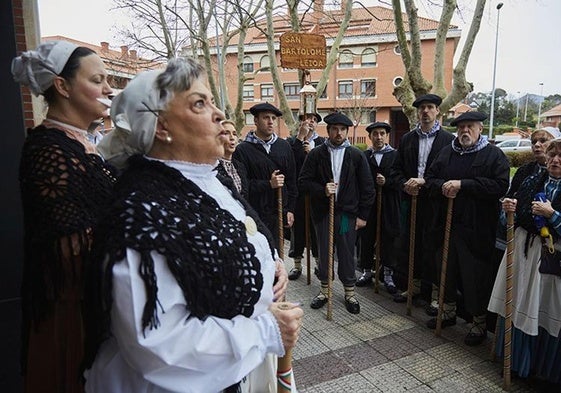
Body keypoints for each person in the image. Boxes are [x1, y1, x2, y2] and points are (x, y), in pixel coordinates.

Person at [83, 57, 303, 393]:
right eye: (200, 103)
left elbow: (245, 232)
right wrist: (266, 331)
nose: (218, 115)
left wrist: (272, 264)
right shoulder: (143, 210)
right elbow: (157, 341)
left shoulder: (208, 179)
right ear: (162, 127)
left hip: (238, 367)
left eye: (212, 101)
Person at [11, 41, 116, 392]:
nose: (108, 89)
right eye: (97, 79)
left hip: (96, 303)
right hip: (76, 314)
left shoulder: (84, 144)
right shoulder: (49, 150)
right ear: (62, 86)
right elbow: (70, 248)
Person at [424, 111, 509, 346]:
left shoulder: (493, 155)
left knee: (475, 277)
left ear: (480, 128)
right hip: (446, 225)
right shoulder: (446, 152)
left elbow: (500, 185)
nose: (465, 131)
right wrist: (442, 186)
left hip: (476, 229)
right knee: (446, 270)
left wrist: (464, 185)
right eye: (461, 127)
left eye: (470, 126)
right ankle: (448, 311)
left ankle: (478, 323)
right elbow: (430, 178)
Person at [488, 140, 561, 387]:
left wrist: (553, 215)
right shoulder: (533, 180)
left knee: (544, 310)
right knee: (518, 302)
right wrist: (508, 209)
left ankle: (543, 371)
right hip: (523, 252)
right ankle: (516, 363)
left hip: (551, 261)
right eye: (553, 155)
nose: (556, 160)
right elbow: (510, 211)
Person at [299, 112, 375, 314]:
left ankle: (349, 292)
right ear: (328, 130)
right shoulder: (316, 154)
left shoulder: (356, 155)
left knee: (347, 252)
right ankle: (325, 290)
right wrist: (322, 190)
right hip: (324, 213)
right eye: (334, 129)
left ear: (347, 131)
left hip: (347, 215)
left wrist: (363, 216)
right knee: (324, 252)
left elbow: (368, 188)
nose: (338, 133)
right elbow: (303, 182)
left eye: (342, 129)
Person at [390, 94, 455, 315]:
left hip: (436, 203)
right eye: (422, 108)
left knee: (435, 248)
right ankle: (413, 287)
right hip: (412, 200)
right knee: (411, 244)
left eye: (430, 107)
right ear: (417, 113)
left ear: (438, 111)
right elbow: (396, 171)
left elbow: (449, 174)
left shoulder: (448, 141)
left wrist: (426, 182)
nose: (425, 111)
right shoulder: (408, 139)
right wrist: (404, 185)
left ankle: (437, 295)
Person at [233, 103, 297, 251]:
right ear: (256, 121)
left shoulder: (284, 146)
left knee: (277, 257)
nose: (270, 122)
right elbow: (242, 186)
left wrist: (290, 209)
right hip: (255, 213)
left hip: (279, 212)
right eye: (266, 117)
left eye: (273, 118)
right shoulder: (242, 150)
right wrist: (268, 184)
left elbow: (292, 182)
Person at [356, 122, 400, 294]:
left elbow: (401, 179)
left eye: (382, 133)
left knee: (389, 238)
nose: (379, 137)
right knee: (366, 237)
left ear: (387, 136)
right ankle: (367, 272)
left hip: (389, 204)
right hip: (368, 205)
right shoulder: (364, 156)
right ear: (370, 137)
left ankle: (388, 274)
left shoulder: (396, 155)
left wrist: (387, 182)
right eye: (375, 134)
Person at [286, 112, 324, 280]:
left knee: (316, 231)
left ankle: (318, 263)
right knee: (298, 230)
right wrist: (300, 139)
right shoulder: (291, 142)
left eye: (315, 120)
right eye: (308, 119)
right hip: (298, 194)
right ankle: (296, 264)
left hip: (316, 193)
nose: (311, 122)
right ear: (301, 122)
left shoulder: (322, 143)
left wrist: (313, 152)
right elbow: (290, 163)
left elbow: (326, 167)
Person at [216, 119, 248, 198]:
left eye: (234, 134)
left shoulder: (240, 166)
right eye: (226, 133)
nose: (232, 137)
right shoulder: (212, 167)